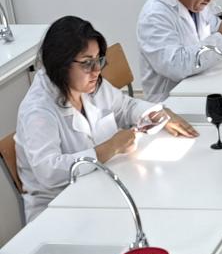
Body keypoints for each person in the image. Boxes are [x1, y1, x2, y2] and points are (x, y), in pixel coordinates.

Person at [14, 16, 197, 221]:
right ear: (61, 63)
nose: (96, 71)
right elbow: (48, 172)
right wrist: (109, 148)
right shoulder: (38, 110)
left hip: (100, 187)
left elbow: (125, 106)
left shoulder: (89, 85)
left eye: (99, 60)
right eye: (87, 63)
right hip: (60, 209)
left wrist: (156, 113)